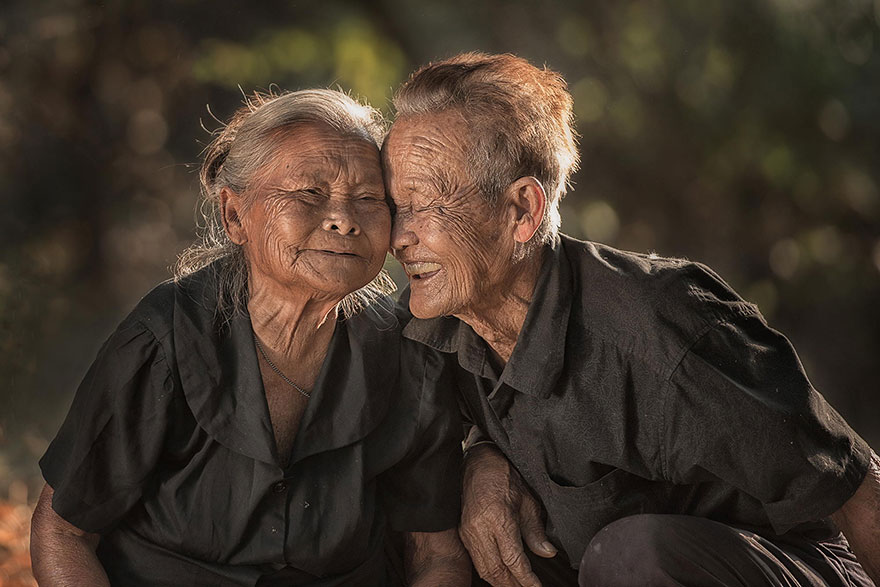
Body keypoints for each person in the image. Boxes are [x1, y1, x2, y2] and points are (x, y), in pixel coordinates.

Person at [382, 52, 880, 586]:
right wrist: (482, 460)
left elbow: (855, 488)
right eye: (394, 207)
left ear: (522, 211)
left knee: (633, 555)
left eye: (426, 205)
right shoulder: (438, 323)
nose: (398, 238)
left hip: (796, 567)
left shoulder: (663, 326)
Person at [30, 89, 471, 586]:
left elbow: (435, 552)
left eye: (370, 200)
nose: (344, 220)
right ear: (235, 215)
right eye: (309, 194)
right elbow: (63, 532)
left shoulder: (411, 357)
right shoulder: (163, 341)